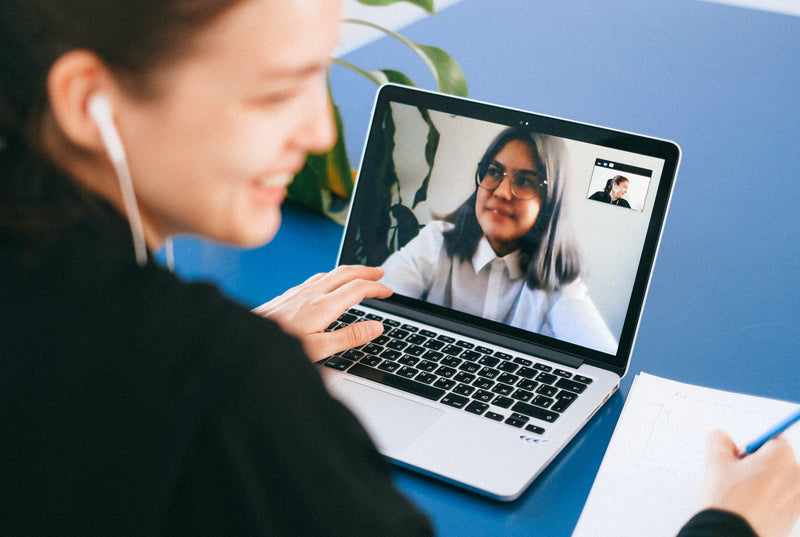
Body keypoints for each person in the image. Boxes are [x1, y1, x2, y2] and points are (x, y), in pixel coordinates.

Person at [1, 1, 798, 536]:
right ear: (87, 99)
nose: (320, 132)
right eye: (275, 91)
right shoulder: (231, 394)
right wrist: (730, 525)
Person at [381, 127, 618, 353]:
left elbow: (599, 359)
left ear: (549, 201)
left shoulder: (558, 281)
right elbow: (373, 303)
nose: (502, 192)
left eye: (524, 181)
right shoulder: (436, 242)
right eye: (494, 172)